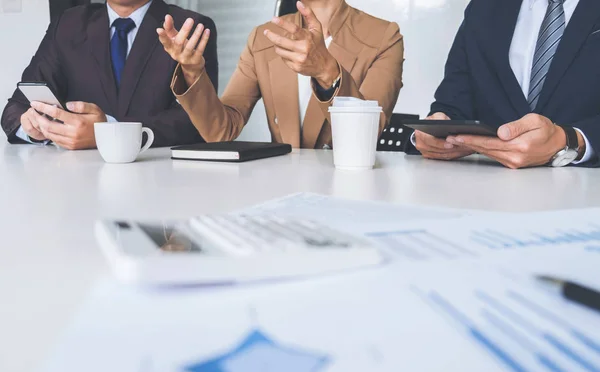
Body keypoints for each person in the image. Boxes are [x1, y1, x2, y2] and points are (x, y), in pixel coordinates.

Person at [157, 0, 404, 149]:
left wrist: (327, 72)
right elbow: (222, 130)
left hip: (346, 194)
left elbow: (365, 138)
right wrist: (191, 71)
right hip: (279, 194)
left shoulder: (384, 37)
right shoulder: (263, 37)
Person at [1, 0, 218, 150]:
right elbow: (15, 109)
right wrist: (33, 128)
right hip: (76, 185)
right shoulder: (68, 24)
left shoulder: (189, 27)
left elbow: (198, 123)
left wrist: (107, 133)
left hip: (157, 178)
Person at [412, 0, 600, 168]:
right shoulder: (484, 7)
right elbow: (453, 104)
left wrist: (572, 140)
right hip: (486, 192)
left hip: (583, 193)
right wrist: (433, 133)